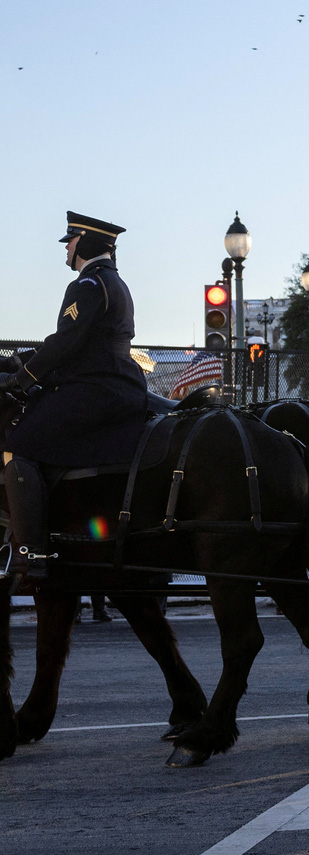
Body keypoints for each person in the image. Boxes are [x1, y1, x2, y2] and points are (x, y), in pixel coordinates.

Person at [2, 213, 151, 585]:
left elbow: (66, 342)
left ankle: (30, 553)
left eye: (70, 242)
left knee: (18, 448)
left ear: (84, 242)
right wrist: (24, 359)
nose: (66, 249)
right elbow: (76, 340)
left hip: (95, 387)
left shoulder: (87, 283)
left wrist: (22, 379)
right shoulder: (112, 281)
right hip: (116, 383)